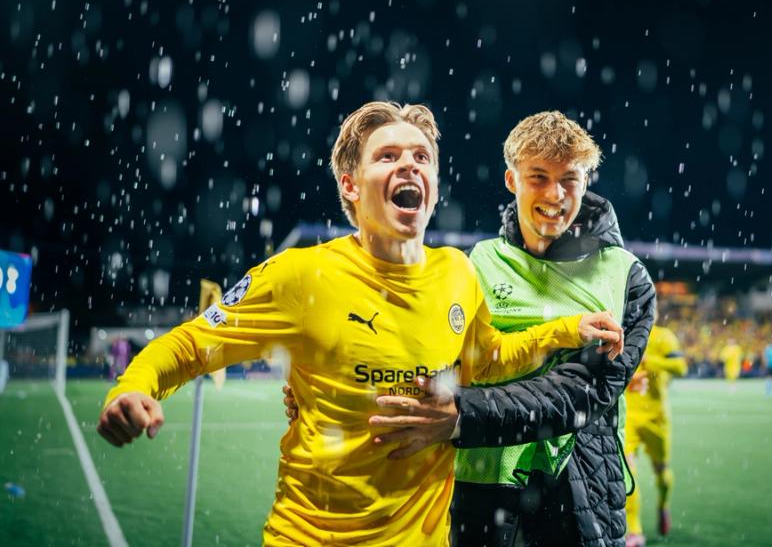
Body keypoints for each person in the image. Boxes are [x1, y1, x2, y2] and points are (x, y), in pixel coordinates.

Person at [96, 101, 623, 546]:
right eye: (387, 156)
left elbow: (488, 359)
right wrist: (135, 387)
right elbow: (192, 344)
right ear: (350, 184)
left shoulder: (457, 274)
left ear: (435, 183)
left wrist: (567, 330)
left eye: (422, 157)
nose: (410, 166)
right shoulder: (301, 275)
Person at [369, 111, 656, 547]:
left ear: (587, 181)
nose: (555, 194)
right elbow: (422, 358)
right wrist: (331, 386)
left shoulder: (627, 278)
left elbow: (579, 394)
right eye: (538, 176)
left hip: (587, 497)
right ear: (511, 180)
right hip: (483, 490)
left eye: (570, 178)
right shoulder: (471, 266)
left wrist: (463, 416)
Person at [623, 323, 687, 547]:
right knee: (627, 472)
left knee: (662, 473)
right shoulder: (623, 333)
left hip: (656, 418)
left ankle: (663, 505)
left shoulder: (663, 336)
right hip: (628, 415)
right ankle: (633, 529)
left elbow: (681, 367)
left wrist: (650, 361)